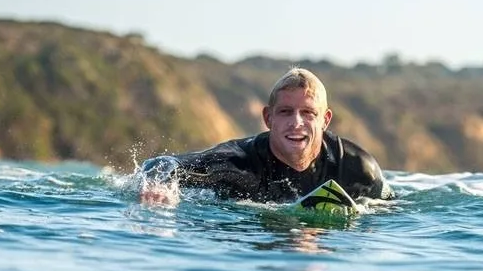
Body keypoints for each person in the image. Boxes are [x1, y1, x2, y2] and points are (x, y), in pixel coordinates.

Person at [139, 67, 394, 206]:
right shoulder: (238, 165)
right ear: (268, 118)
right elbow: (162, 164)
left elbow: (393, 210)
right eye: (285, 112)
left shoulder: (356, 169)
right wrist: (157, 187)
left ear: (325, 120)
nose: (296, 123)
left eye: (308, 113)